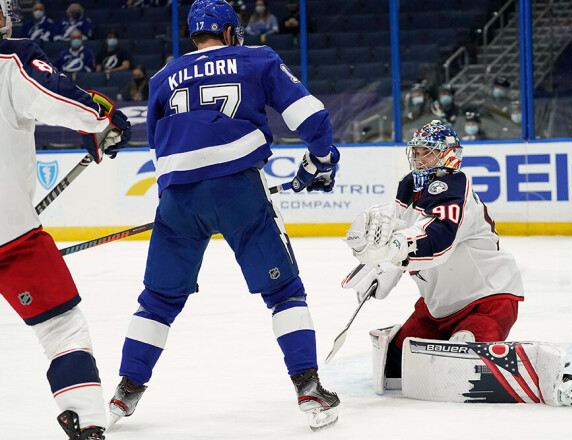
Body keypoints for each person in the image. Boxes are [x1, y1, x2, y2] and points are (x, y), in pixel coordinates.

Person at [107, 0, 340, 432]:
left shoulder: (161, 77)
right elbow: (311, 117)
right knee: (285, 292)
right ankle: (307, 384)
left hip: (177, 200)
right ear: (230, 32)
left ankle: (126, 390)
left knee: (157, 302)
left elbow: (158, 149)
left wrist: (180, 203)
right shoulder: (257, 59)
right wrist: (322, 159)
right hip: (239, 193)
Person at [344, 120, 572, 406]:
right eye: (417, 152)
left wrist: (397, 248)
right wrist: (378, 265)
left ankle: (542, 379)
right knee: (395, 363)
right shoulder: (410, 188)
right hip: (438, 307)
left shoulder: (454, 189)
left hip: (488, 300)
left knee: (463, 359)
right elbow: (396, 231)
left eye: (428, 153)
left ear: (449, 155)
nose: (420, 159)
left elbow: (438, 240)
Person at [0, 1, 131, 439]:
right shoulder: (10, 61)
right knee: (63, 329)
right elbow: (71, 104)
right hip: (11, 239)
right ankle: (87, 421)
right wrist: (102, 120)